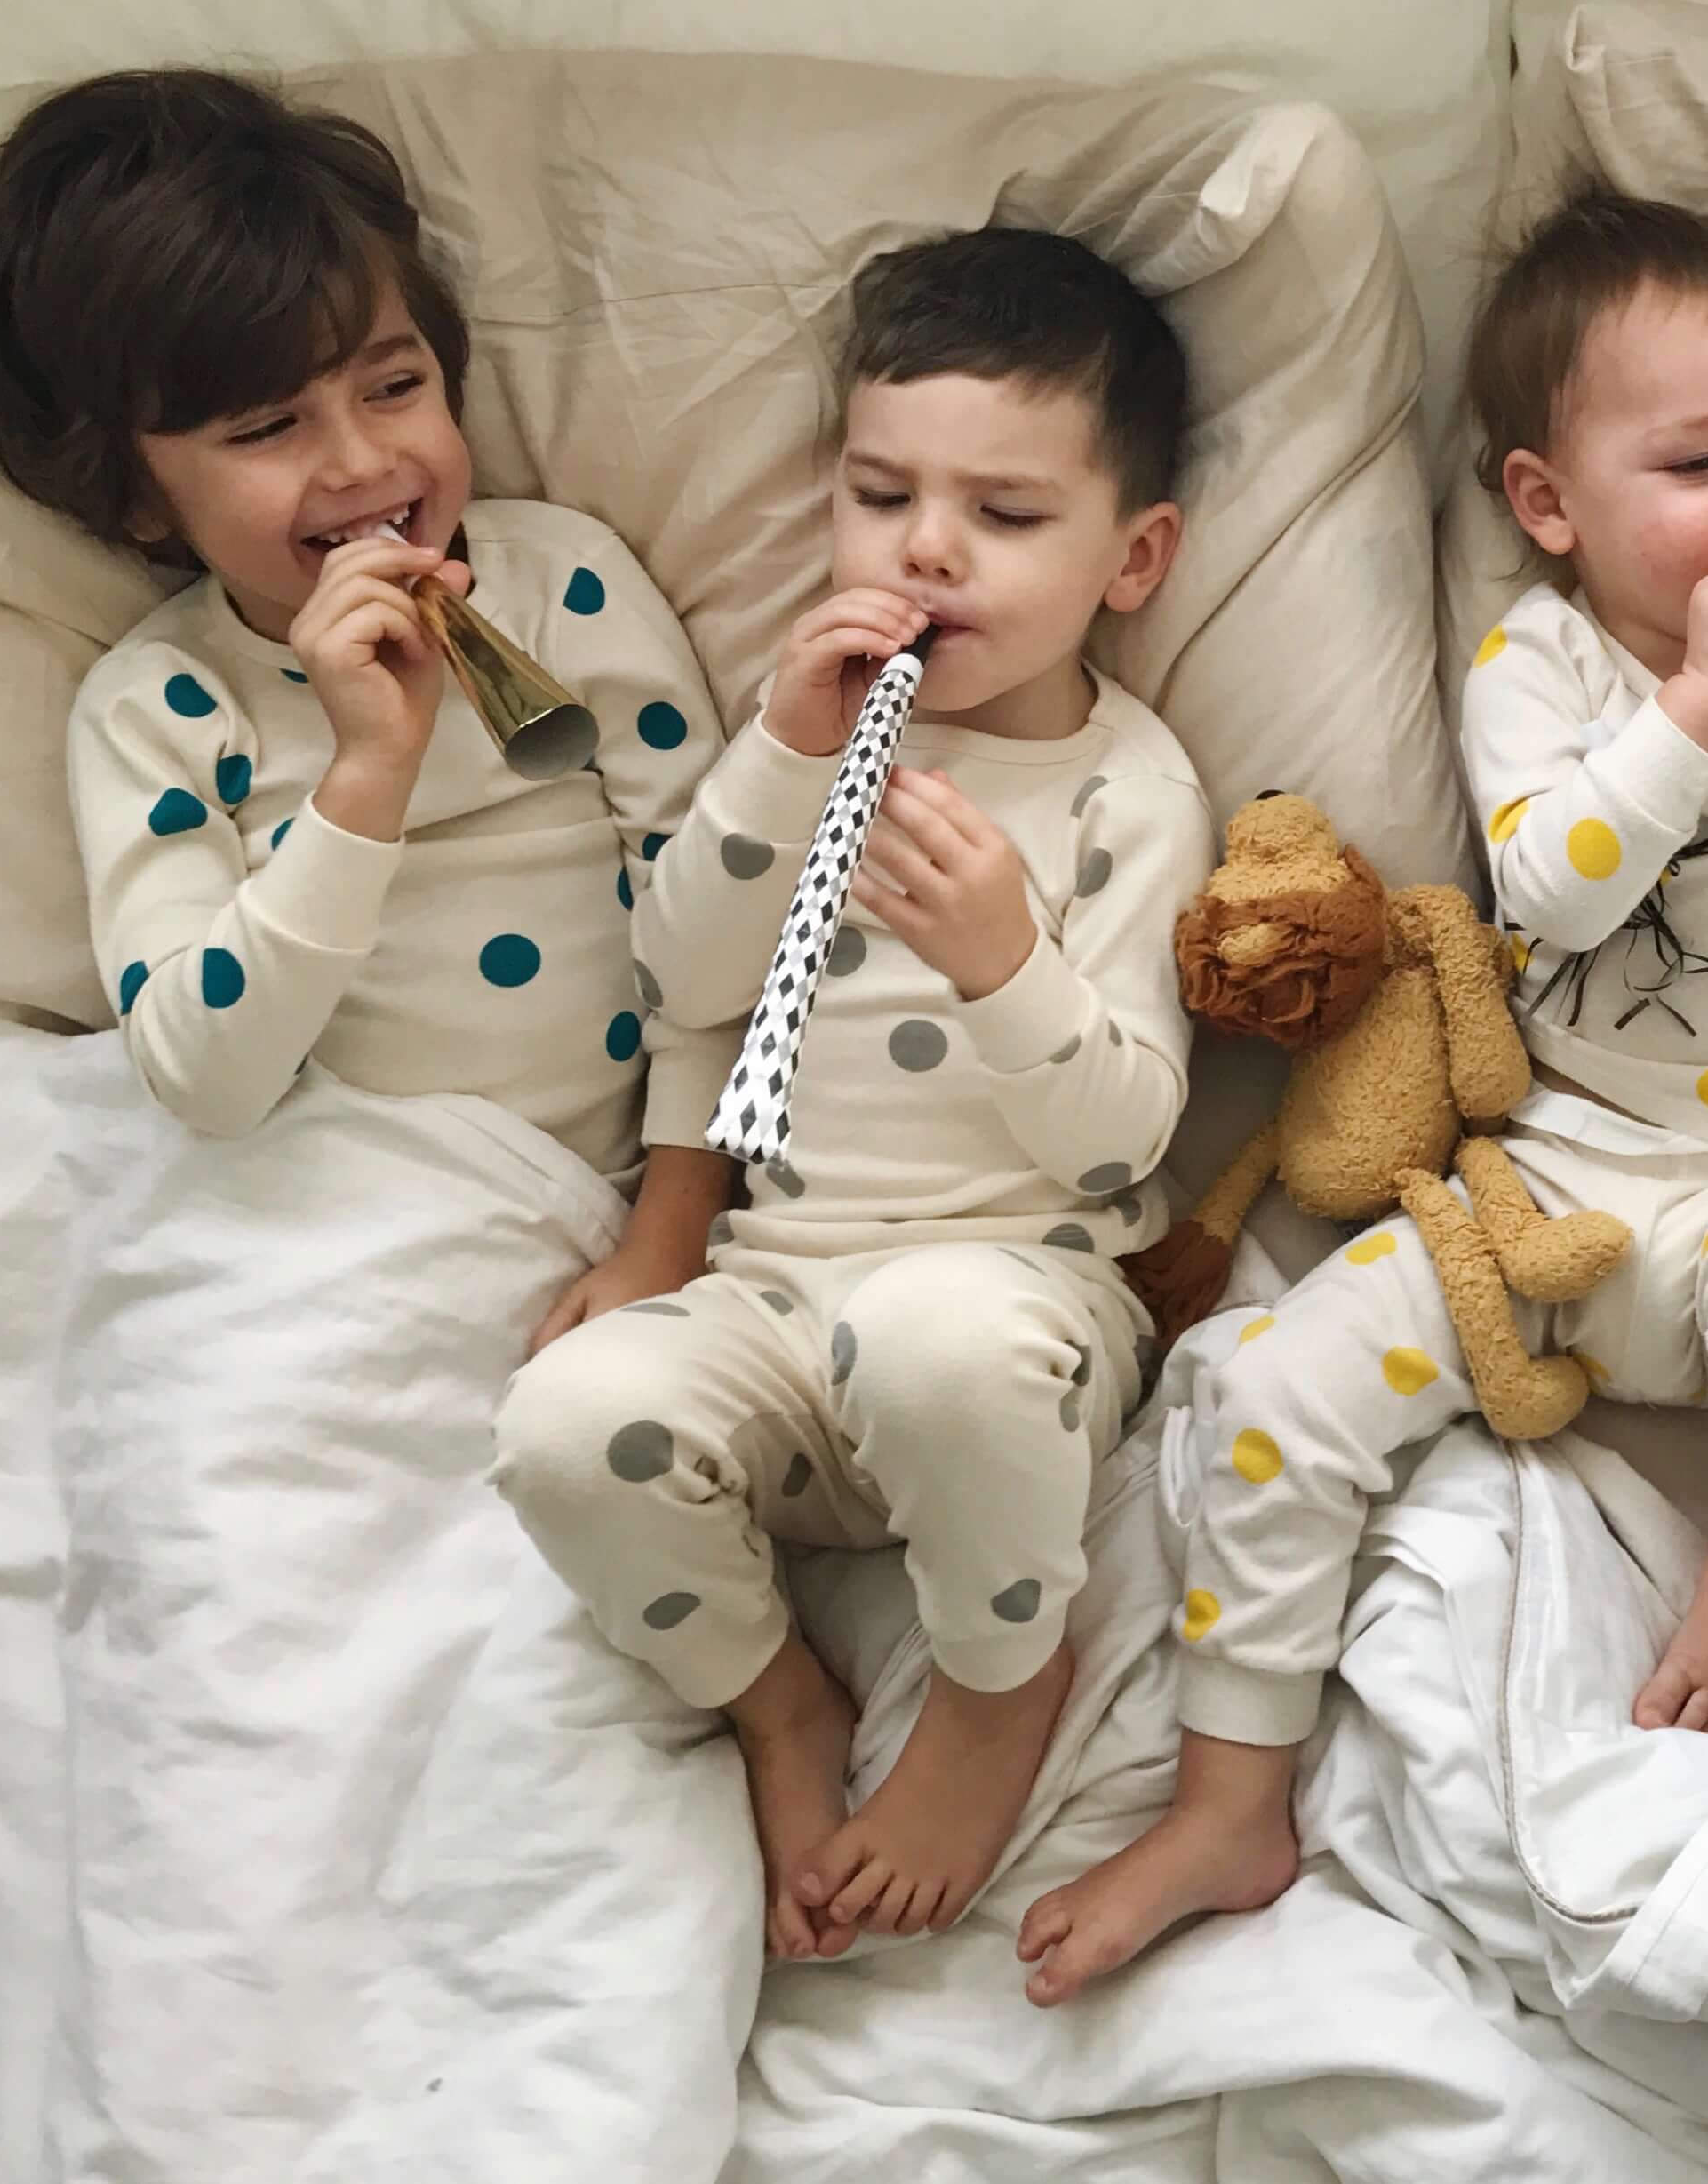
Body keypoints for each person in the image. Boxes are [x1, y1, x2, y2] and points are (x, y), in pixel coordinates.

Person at [1017, 187, 1708, 2004]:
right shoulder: (1542, 661)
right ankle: (1226, 1792)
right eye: (1701, 458)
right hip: (1533, 1188)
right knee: (1272, 1391)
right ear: (1551, 506)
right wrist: (1701, 690)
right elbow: (1548, 887)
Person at [491, 228, 1214, 1963]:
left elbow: (1123, 1134)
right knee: (563, 1425)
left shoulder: (1127, 786)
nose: (928, 548)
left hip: (1014, 1317)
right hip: (776, 1295)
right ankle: (775, 1700)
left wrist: (1000, 960)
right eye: (880, 492)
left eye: (1007, 514)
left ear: (1135, 557)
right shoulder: (812, 740)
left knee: (942, 1341)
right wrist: (784, 751)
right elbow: (679, 977)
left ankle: (996, 1675)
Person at [0, 68, 738, 1340]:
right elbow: (205, 1079)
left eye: (393, 385)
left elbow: (728, 929)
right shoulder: (160, 706)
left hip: (622, 1211)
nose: (362, 461)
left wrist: (668, 1235)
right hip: (322, 1210)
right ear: (135, 497)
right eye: (267, 427)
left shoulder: (565, 585)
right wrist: (367, 772)